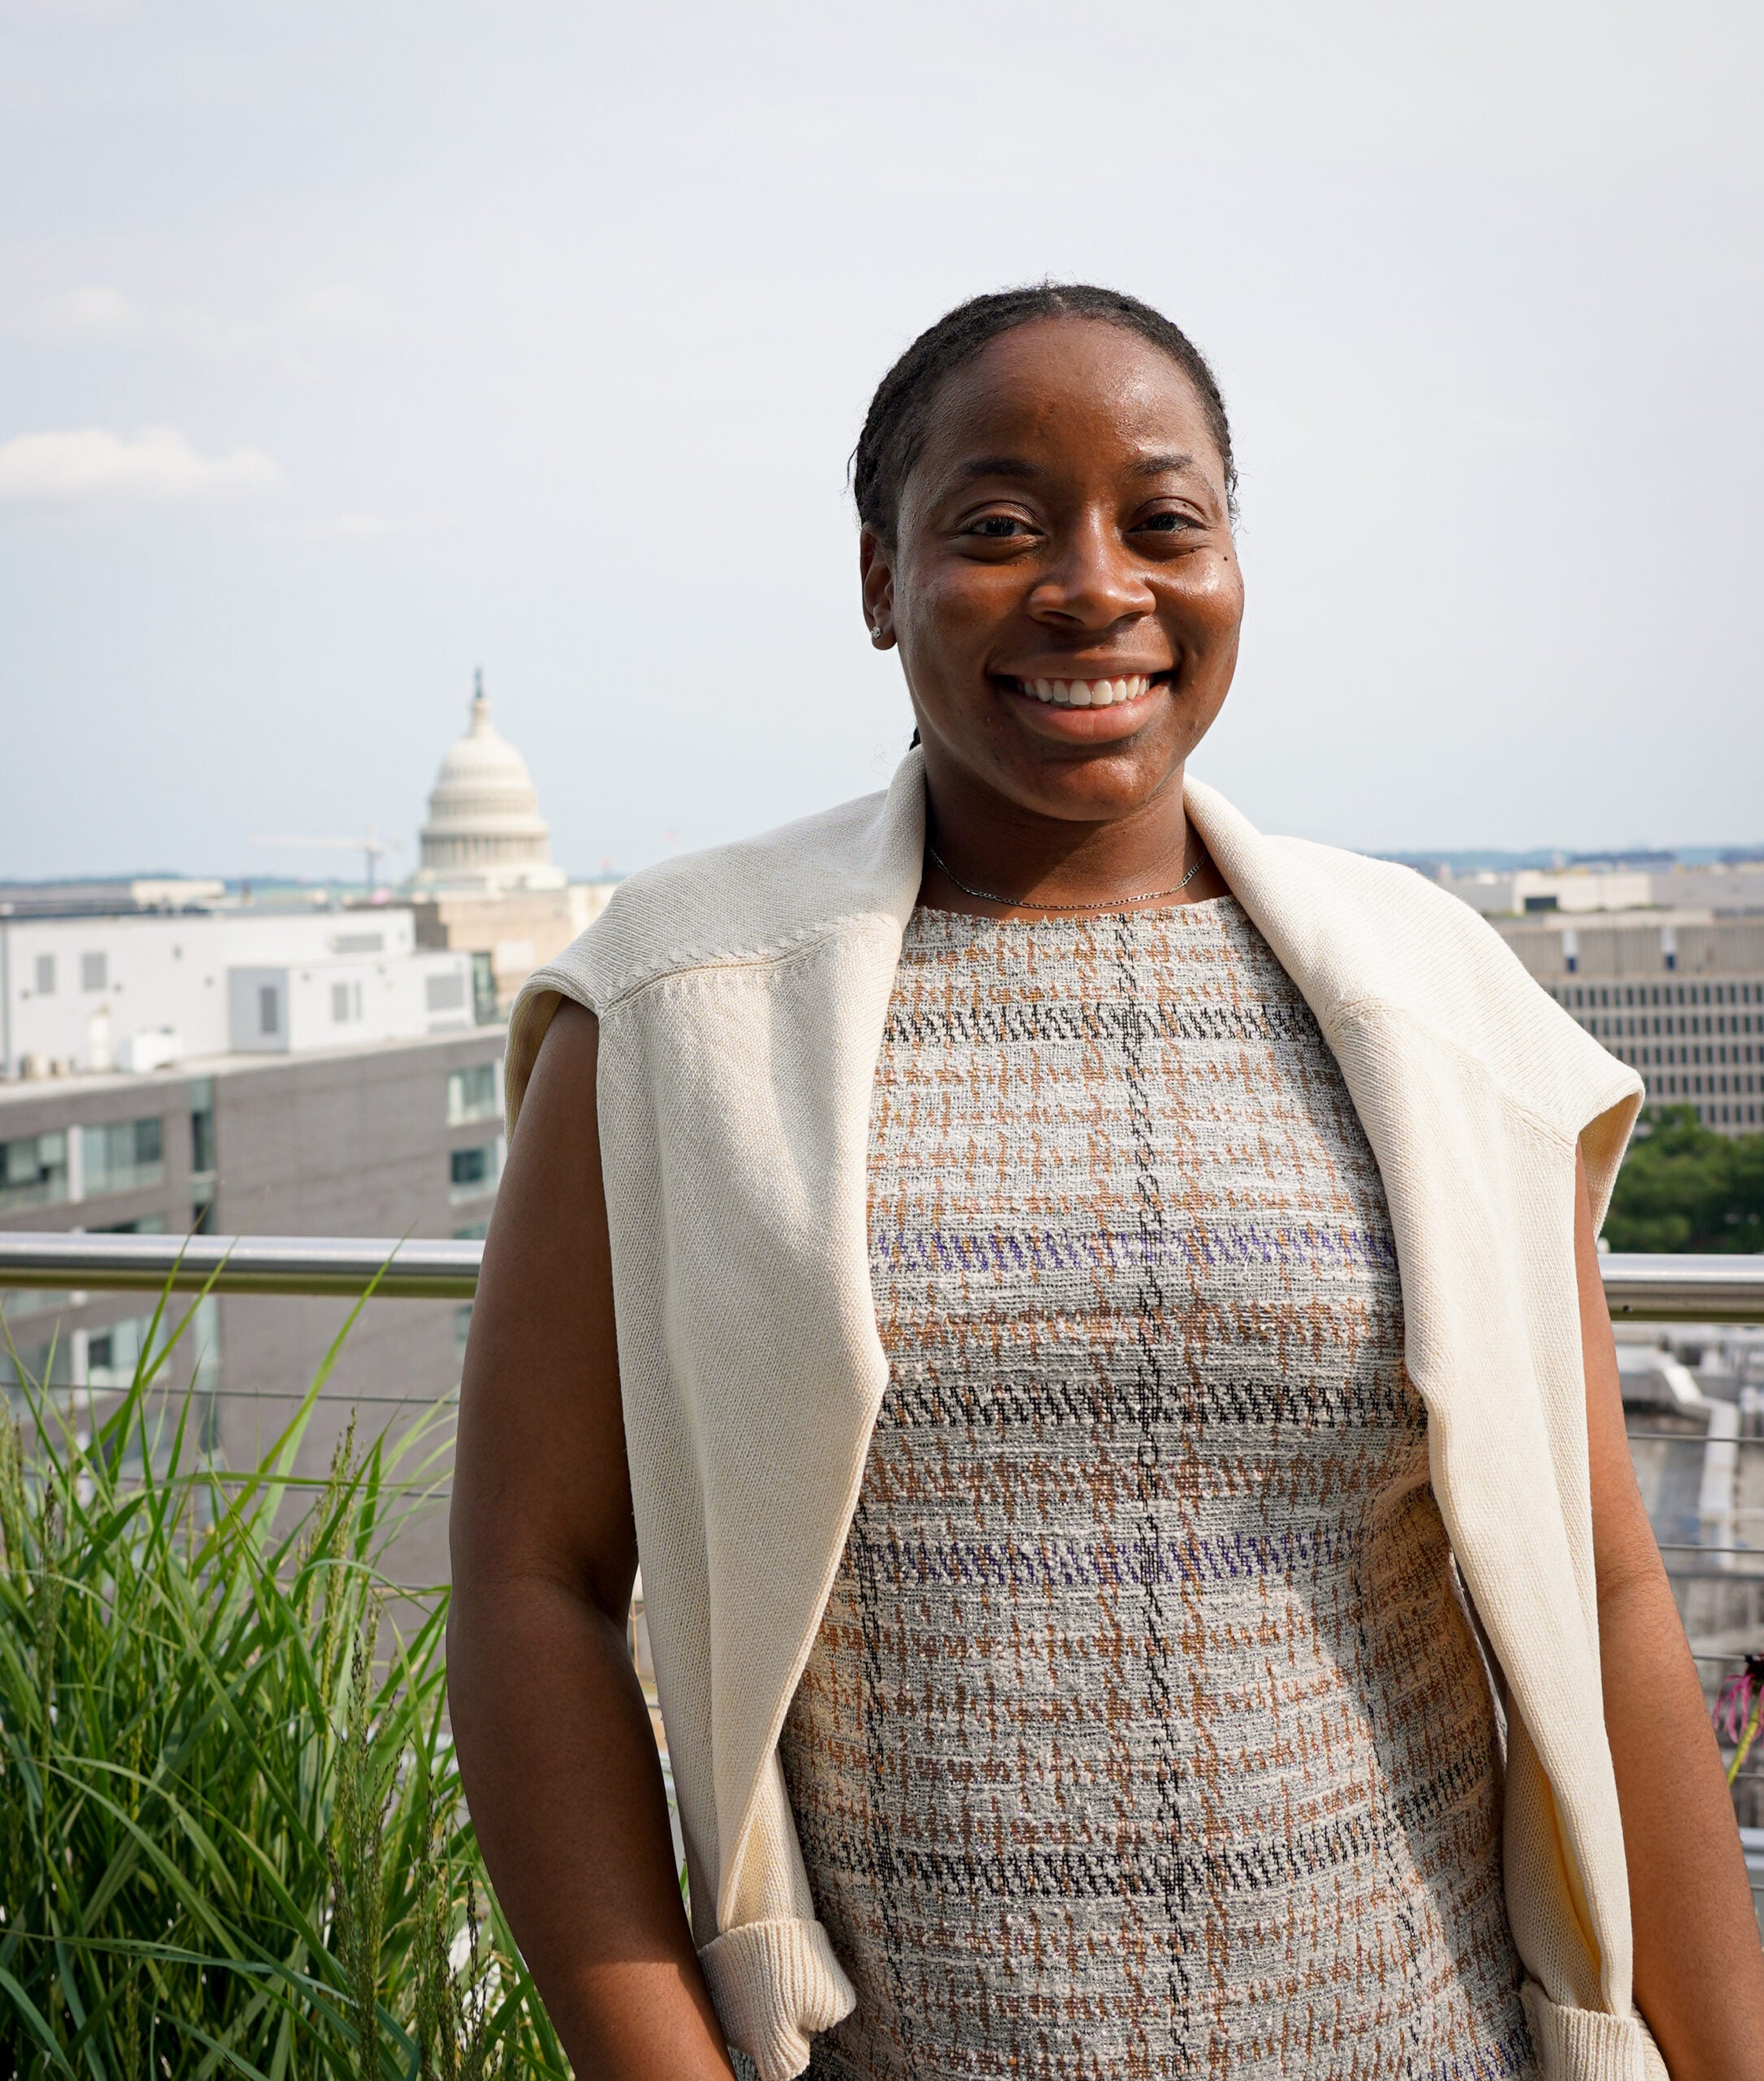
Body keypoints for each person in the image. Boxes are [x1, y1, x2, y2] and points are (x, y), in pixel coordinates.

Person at [447, 285, 1764, 2081]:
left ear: (1230, 564)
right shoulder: (679, 1006)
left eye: (1162, 520)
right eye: (994, 526)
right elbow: (534, 1583)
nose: (1091, 585)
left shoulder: (1431, 995)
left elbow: (1608, 1592)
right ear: (874, 579)